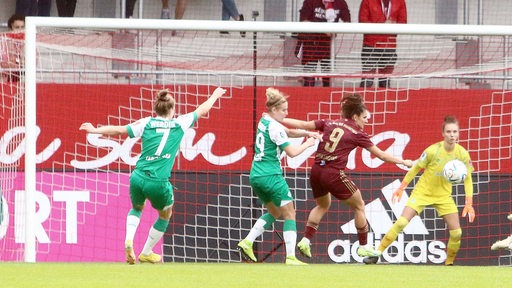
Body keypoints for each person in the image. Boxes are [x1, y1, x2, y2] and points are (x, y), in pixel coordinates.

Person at [79, 87, 227, 264]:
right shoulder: (179, 123)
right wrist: (215, 95)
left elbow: (119, 131)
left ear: (156, 109)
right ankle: (146, 252)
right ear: (172, 110)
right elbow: (202, 110)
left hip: (138, 177)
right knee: (166, 214)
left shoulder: (147, 122)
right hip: (158, 182)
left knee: (136, 208)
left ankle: (129, 240)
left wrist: (95, 130)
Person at [278, 93, 413, 260]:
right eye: (364, 117)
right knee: (359, 206)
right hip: (333, 173)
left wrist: (277, 119)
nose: (367, 120)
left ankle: (305, 240)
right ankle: (363, 247)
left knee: (323, 205)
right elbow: (382, 156)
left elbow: (303, 124)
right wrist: (403, 162)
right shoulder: (357, 133)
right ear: (355, 116)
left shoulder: (329, 122)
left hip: (316, 171)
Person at [363, 115, 476, 266]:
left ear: (459, 133)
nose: (452, 135)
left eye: (455, 132)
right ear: (443, 133)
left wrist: (469, 202)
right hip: (422, 193)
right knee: (401, 222)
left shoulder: (462, 154)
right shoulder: (432, 151)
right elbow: (416, 168)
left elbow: (467, 178)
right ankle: (377, 254)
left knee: (457, 233)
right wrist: (402, 186)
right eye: (448, 132)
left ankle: (449, 264)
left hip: (443, 197)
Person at [237, 88, 321, 265]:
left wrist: (307, 132)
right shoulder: (275, 127)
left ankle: (247, 242)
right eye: (284, 110)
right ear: (274, 109)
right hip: (271, 176)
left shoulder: (265, 120)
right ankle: (291, 257)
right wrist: (309, 144)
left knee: (275, 212)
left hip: (256, 176)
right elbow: (291, 152)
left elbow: (288, 132)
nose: (287, 113)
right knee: (290, 213)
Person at [297, 0, 351, 87]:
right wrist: (323, 29)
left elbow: (348, 22)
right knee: (309, 80)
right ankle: (309, 99)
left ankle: (328, 99)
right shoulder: (310, 1)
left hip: (328, 46)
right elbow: (303, 21)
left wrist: (335, 29)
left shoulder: (340, 2)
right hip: (310, 44)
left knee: (328, 79)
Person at [359, 0, 407, 88]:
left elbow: (403, 23)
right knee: (367, 81)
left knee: (385, 82)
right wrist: (382, 26)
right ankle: (362, 101)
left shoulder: (400, 1)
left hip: (389, 46)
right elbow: (362, 21)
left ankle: (384, 101)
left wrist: (392, 25)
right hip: (370, 45)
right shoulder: (367, 1)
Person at [1, 14, 25, 82]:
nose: (20, 30)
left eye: (22, 27)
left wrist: (16, 60)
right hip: (5, 76)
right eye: (17, 27)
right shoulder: (3, 40)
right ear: (11, 26)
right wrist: (19, 61)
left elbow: (32, 61)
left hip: (22, 76)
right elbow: (4, 62)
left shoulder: (28, 41)